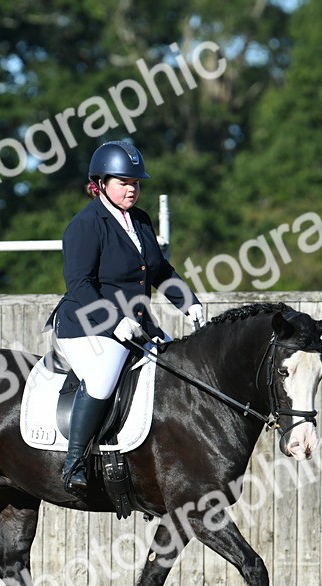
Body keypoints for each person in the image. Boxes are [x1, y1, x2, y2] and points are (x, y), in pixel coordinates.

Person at [45, 140, 206, 498]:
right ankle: (75, 464)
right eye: (123, 182)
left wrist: (188, 302)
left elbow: (160, 269)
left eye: (136, 182)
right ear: (100, 183)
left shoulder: (141, 221)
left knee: (174, 367)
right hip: (86, 324)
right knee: (103, 377)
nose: (132, 188)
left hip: (136, 326)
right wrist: (112, 321)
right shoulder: (85, 225)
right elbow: (79, 284)